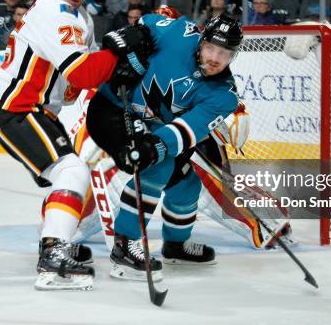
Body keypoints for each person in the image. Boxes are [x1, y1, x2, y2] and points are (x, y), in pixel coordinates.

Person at [0, 0, 154, 291]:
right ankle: (53, 256)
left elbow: (74, 85)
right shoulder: (55, 13)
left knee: (69, 177)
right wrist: (118, 53)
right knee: (72, 171)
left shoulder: (79, 16)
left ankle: (55, 243)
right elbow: (85, 73)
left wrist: (116, 68)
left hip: (37, 110)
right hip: (16, 109)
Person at [85, 14, 243, 280]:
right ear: (201, 41)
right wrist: (129, 39)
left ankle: (175, 245)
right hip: (112, 110)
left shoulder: (224, 95)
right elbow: (146, 23)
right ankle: (124, 244)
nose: (215, 57)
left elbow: (187, 130)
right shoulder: (179, 33)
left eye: (225, 53)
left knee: (186, 183)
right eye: (211, 48)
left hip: (154, 130)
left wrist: (155, 146)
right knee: (159, 167)